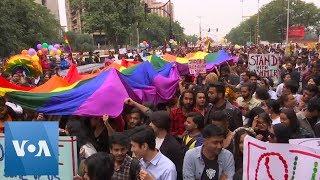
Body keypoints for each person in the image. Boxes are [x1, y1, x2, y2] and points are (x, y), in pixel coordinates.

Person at [149, 111, 184, 180]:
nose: (150, 124)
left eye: (152, 122)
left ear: (160, 124)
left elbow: (178, 171)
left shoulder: (173, 146)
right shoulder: (150, 137)